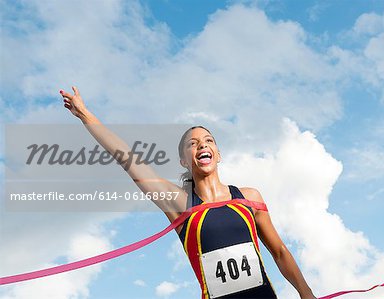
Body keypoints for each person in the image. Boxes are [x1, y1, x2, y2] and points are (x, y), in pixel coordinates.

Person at [60, 86, 317, 299]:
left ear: (217, 153)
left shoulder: (250, 198)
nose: (201, 145)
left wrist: (307, 294)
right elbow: (127, 159)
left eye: (208, 140)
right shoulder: (179, 203)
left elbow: (280, 251)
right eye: (192, 144)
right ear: (184, 160)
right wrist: (85, 116)